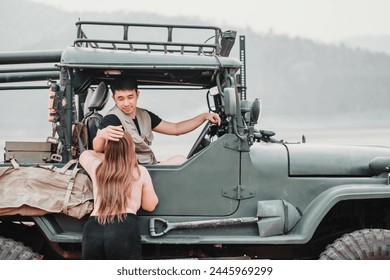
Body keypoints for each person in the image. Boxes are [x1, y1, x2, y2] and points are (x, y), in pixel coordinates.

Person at [92, 76, 221, 165]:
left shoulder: (145, 115)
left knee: (181, 160)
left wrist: (204, 117)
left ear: (137, 95)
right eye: (120, 99)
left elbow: (176, 129)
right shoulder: (112, 119)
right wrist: (101, 136)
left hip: (149, 166)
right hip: (133, 172)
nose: (126, 103)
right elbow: (97, 148)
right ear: (114, 99)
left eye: (130, 97)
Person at [79, 132, 158, 260]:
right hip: (124, 227)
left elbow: (84, 155)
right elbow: (150, 206)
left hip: (94, 228)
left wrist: (103, 137)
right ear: (131, 148)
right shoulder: (139, 171)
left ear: (107, 149)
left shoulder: (97, 167)